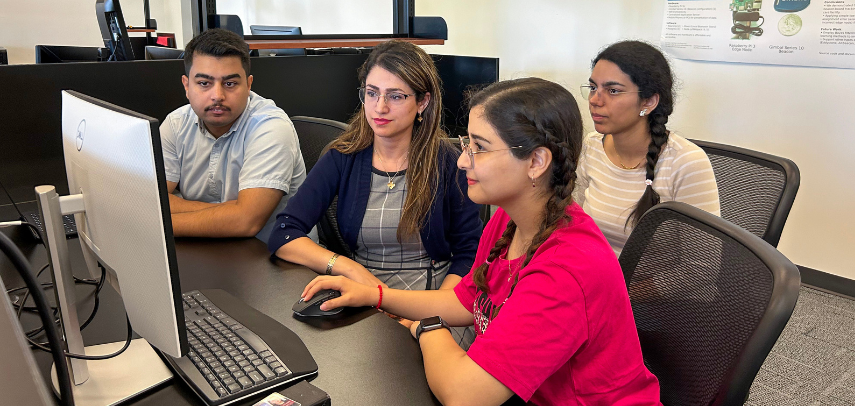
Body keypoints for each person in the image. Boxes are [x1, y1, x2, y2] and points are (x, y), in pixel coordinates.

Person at [299, 78, 662, 406]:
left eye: (480, 147)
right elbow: (468, 299)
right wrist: (375, 295)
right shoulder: (511, 217)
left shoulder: (566, 269)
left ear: (536, 161)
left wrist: (428, 327)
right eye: (466, 143)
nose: (461, 161)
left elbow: (465, 394)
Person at [268, 40, 481, 296]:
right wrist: (347, 268)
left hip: (429, 299)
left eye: (395, 96)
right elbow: (284, 233)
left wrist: (436, 310)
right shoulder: (343, 157)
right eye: (372, 93)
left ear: (423, 102)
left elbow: (470, 254)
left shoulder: (449, 162)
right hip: (363, 298)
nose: (380, 107)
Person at [575, 40, 720, 255]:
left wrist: (622, 288)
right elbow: (577, 226)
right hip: (596, 276)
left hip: (649, 287)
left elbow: (701, 267)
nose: (595, 100)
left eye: (613, 91)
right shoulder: (593, 144)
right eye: (593, 87)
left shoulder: (686, 162)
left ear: (648, 102)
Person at [160, 29, 306, 238]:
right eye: (204, 83)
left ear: (248, 85)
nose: (217, 96)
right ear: (186, 85)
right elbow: (153, 200)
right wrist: (229, 213)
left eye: (230, 84)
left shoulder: (270, 127)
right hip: (212, 251)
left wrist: (158, 224)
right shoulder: (176, 124)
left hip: (274, 258)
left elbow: (246, 222)